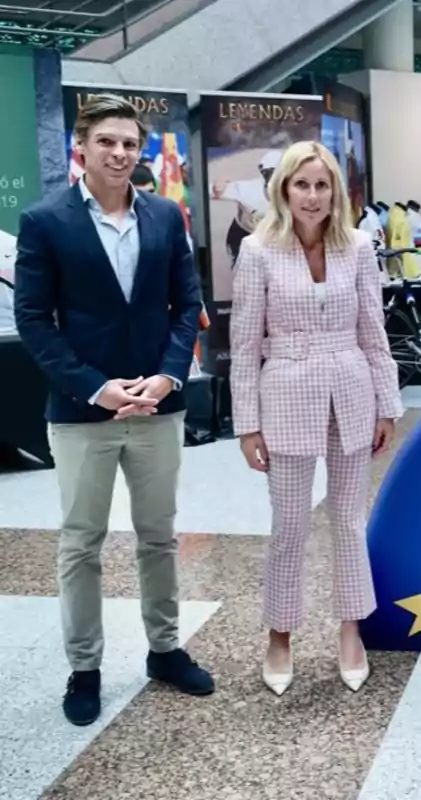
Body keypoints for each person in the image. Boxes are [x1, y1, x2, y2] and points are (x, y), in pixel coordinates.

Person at [13, 94, 210, 726]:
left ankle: (164, 649)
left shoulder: (164, 216)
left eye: (130, 143)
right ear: (82, 148)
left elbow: (188, 307)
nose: (120, 153)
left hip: (157, 407)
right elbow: (34, 321)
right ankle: (85, 667)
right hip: (82, 411)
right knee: (82, 544)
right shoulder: (46, 221)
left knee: (159, 536)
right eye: (107, 142)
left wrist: (168, 377)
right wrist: (96, 388)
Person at [229, 140, 402, 696]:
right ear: (283, 188)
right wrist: (247, 424)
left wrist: (387, 406)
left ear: (337, 192)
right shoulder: (258, 250)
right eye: (301, 184)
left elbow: (374, 333)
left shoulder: (358, 246)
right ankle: (280, 636)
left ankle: (351, 629)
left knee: (350, 521)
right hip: (285, 394)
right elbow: (243, 344)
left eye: (322, 185)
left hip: (351, 391)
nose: (311, 195)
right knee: (290, 526)